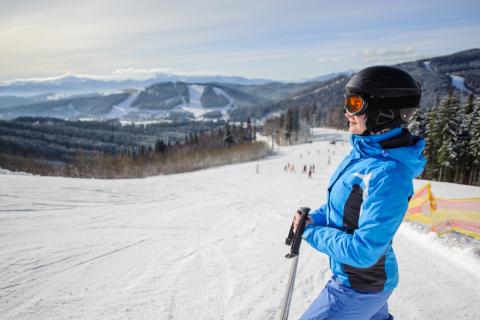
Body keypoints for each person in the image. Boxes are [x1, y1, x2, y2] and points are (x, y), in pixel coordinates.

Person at [293, 66, 426, 320]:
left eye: (355, 104)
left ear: (383, 112)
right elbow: (344, 208)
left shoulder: (389, 174)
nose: (346, 113)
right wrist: (315, 219)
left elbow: (363, 251)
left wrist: (310, 232)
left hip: (359, 287)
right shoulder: (365, 153)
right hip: (362, 281)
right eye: (347, 103)